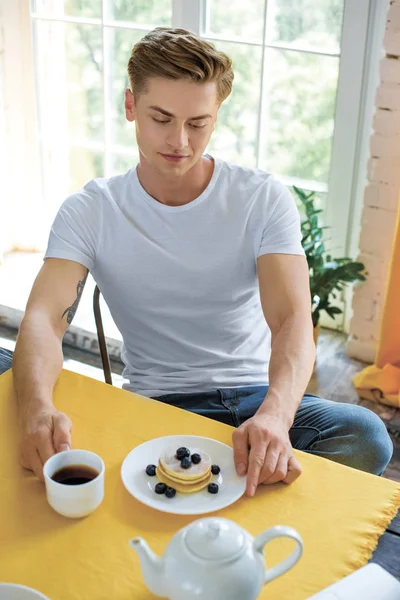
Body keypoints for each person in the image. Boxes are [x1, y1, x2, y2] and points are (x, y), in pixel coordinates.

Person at [11, 27, 393, 494]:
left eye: (198, 123)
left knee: (366, 437)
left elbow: (291, 318)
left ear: (216, 117)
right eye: (161, 118)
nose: (180, 141)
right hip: (157, 406)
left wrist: (274, 414)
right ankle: (238, 490)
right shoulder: (90, 210)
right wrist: (37, 410)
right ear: (130, 106)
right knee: (29, 409)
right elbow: (42, 320)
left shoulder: (261, 198)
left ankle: (229, 480)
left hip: (256, 402)